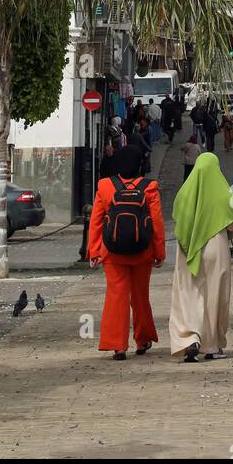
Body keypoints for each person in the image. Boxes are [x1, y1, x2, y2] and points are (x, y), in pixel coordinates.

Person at [88, 145, 165, 359]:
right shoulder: (149, 187)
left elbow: (96, 221)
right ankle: (142, 339)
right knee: (140, 296)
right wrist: (159, 252)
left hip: (112, 252)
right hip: (142, 251)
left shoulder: (105, 186)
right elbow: (157, 223)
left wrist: (94, 251)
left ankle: (118, 345)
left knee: (116, 295)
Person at [169, 152, 233, 361]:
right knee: (215, 295)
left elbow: (177, 217)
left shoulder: (184, 193)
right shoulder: (224, 193)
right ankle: (211, 345)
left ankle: (189, 337)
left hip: (188, 247)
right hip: (216, 246)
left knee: (188, 292)